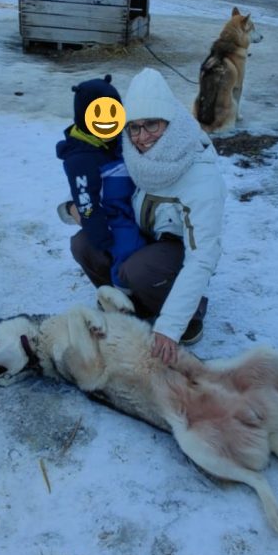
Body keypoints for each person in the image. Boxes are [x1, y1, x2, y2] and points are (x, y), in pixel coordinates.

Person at [111, 67, 227, 366]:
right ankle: (133, 303)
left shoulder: (200, 175)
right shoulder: (137, 157)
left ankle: (189, 314)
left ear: (170, 121)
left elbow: (203, 256)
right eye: (134, 127)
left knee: (138, 269)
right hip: (147, 235)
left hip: (177, 249)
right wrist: (75, 206)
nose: (142, 137)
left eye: (151, 124)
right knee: (85, 244)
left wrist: (169, 327)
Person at [56, 75, 145, 289]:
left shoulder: (118, 139)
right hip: (113, 217)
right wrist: (101, 235)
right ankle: (122, 292)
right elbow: (85, 201)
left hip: (133, 209)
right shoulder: (81, 159)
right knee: (128, 247)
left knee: (139, 246)